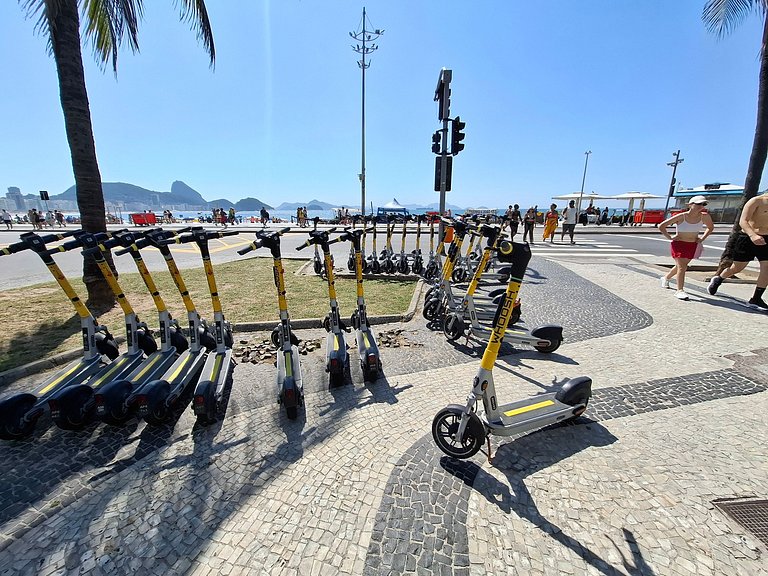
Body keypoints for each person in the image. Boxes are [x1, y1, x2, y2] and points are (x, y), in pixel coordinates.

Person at [708, 191, 768, 310]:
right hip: (747, 237)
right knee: (738, 267)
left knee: (766, 267)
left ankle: (756, 299)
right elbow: (743, 221)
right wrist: (753, 235)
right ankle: (719, 278)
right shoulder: (757, 201)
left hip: (766, 239)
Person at [659, 195, 714, 301]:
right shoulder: (681, 216)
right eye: (698, 204)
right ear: (690, 205)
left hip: (692, 244)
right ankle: (679, 290)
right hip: (679, 244)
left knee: (681, 266)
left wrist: (702, 238)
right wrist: (670, 237)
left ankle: (666, 278)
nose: (701, 206)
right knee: (682, 267)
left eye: (703, 204)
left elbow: (710, 227)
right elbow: (662, 226)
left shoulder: (704, 216)